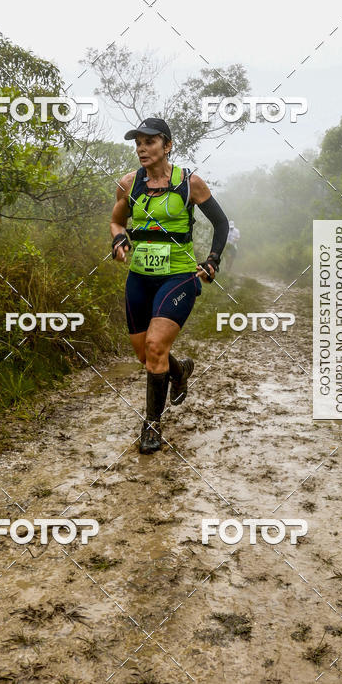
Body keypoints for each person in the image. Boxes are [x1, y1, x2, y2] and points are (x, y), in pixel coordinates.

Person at [110, 117, 229, 454]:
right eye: (137, 143)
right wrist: (119, 242)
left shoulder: (189, 183)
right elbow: (117, 221)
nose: (141, 149)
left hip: (179, 275)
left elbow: (221, 223)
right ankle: (180, 372)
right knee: (145, 354)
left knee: (156, 347)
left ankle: (151, 425)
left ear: (167, 145)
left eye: (148, 142)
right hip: (140, 277)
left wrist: (213, 260)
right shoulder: (128, 184)